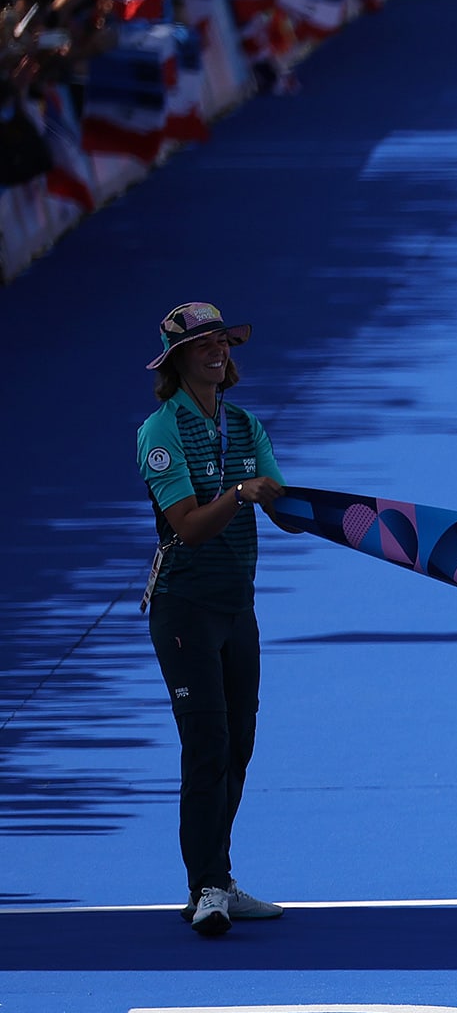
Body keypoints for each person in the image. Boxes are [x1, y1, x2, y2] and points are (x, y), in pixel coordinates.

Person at [135, 301, 287, 937]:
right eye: (203, 346)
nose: (218, 352)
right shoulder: (159, 432)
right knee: (207, 746)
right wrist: (239, 494)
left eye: (223, 343)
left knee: (239, 748)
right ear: (177, 362)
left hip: (236, 607)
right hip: (185, 610)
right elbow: (191, 529)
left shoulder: (247, 426)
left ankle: (219, 879)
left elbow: (276, 497)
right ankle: (204, 888)